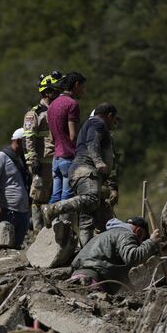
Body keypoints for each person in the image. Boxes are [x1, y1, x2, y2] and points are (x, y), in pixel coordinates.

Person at [43, 102, 119, 246]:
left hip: (81, 170)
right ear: (109, 115)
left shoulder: (92, 124)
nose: (114, 123)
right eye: (114, 119)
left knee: (87, 216)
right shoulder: (97, 123)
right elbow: (92, 142)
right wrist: (98, 161)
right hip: (86, 169)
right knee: (90, 199)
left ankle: (86, 250)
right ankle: (53, 208)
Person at [69, 217, 160, 293]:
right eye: (140, 242)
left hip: (76, 276)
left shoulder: (104, 235)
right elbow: (132, 257)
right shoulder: (126, 234)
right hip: (94, 281)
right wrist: (151, 242)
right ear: (139, 232)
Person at [23, 71, 62, 230]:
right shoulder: (35, 113)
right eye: (55, 90)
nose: (58, 93)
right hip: (42, 162)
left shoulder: (58, 110)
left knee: (56, 197)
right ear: (46, 92)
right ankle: (38, 232)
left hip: (57, 159)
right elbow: (28, 138)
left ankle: (53, 231)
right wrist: (33, 160)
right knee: (38, 196)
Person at [47, 71, 86, 204]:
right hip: (68, 157)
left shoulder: (52, 105)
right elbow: (73, 135)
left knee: (55, 196)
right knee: (66, 198)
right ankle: (63, 224)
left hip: (56, 158)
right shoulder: (72, 104)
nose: (83, 91)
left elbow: (51, 138)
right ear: (76, 85)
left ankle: (51, 223)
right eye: (82, 87)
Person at [0, 128, 30, 247]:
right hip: (7, 211)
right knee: (4, 246)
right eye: (26, 141)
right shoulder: (1, 156)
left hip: (22, 212)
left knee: (17, 246)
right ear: (18, 141)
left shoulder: (21, 158)